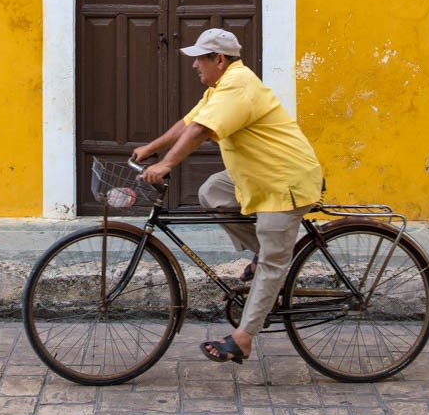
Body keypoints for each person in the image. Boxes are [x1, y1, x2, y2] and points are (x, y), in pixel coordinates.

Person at [133, 28, 324, 366]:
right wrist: (151, 148)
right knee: (211, 191)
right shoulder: (220, 87)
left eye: (200, 58)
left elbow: (201, 131)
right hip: (254, 175)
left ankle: (243, 338)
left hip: (284, 180)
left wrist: (165, 165)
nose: (194, 65)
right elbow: (189, 122)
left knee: (272, 264)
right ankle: (266, 252)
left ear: (219, 60)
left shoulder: (238, 85)